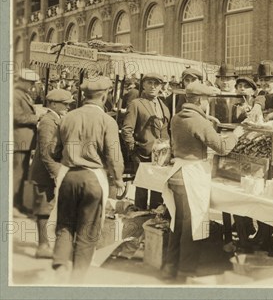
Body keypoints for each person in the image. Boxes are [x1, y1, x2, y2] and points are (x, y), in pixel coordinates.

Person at [161, 81, 243, 280]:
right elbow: (222, 148)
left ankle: (169, 268)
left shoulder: (177, 117)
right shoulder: (199, 121)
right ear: (201, 101)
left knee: (177, 225)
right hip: (190, 175)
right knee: (192, 227)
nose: (208, 104)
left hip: (176, 173)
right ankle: (185, 273)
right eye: (207, 100)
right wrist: (235, 135)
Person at [52, 76, 125, 283]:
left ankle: (59, 263)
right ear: (104, 96)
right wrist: (118, 179)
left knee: (65, 224)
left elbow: (53, 150)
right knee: (88, 229)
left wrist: (69, 155)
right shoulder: (107, 121)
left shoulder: (67, 117)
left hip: (69, 176)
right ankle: (77, 278)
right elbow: (114, 155)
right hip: (93, 178)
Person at [29, 89, 74, 259]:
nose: (68, 107)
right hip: (44, 173)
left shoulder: (56, 119)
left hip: (49, 171)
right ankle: (42, 246)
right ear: (53, 104)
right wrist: (56, 174)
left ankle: (47, 244)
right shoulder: (49, 121)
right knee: (43, 209)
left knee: (49, 208)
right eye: (65, 104)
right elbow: (46, 152)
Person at [121, 73, 171, 209]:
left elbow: (166, 129)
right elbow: (126, 129)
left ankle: (154, 219)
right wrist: (133, 149)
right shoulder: (136, 104)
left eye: (156, 84)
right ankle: (138, 217)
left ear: (161, 86)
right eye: (149, 83)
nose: (153, 86)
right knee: (142, 190)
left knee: (157, 190)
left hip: (161, 157)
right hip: (142, 154)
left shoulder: (163, 106)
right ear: (143, 85)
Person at [13, 68, 42, 217]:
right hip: (19, 141)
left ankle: (18, 203)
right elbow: (16, 117)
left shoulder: (22, 94)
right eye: (30, 83)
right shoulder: (15, 95)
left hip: (23, 142)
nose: (32, 85)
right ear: (22, 81)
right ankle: (13, 205)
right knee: (18, 173)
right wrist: (36, 118)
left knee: (23, 173)